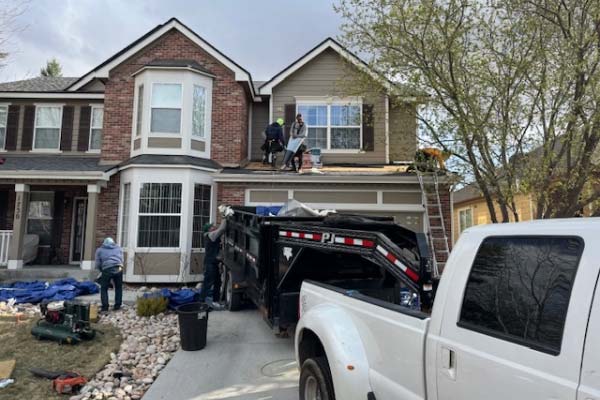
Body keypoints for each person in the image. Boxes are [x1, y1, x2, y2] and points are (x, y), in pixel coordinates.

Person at [199, 219, 227, 309]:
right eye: (212, 226)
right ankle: (201, 303)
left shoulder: (212, 235)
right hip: (210, 264)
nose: (214, 227)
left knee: (217, 282)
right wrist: (225, 218)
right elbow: (222, 229)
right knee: (208, 283)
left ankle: (215, 301)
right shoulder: (211, 235)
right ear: (209, 229)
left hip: (214, 263)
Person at [95, 237, 124, 312]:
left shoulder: (100, 250)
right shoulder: (119, 248)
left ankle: (105, 307)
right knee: (118, 287)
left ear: (104, 243)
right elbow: (122, 260)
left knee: (104, 288)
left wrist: (102, 270)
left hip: (107, 268)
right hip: (119, 268)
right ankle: (117, 306)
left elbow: (98, 263)